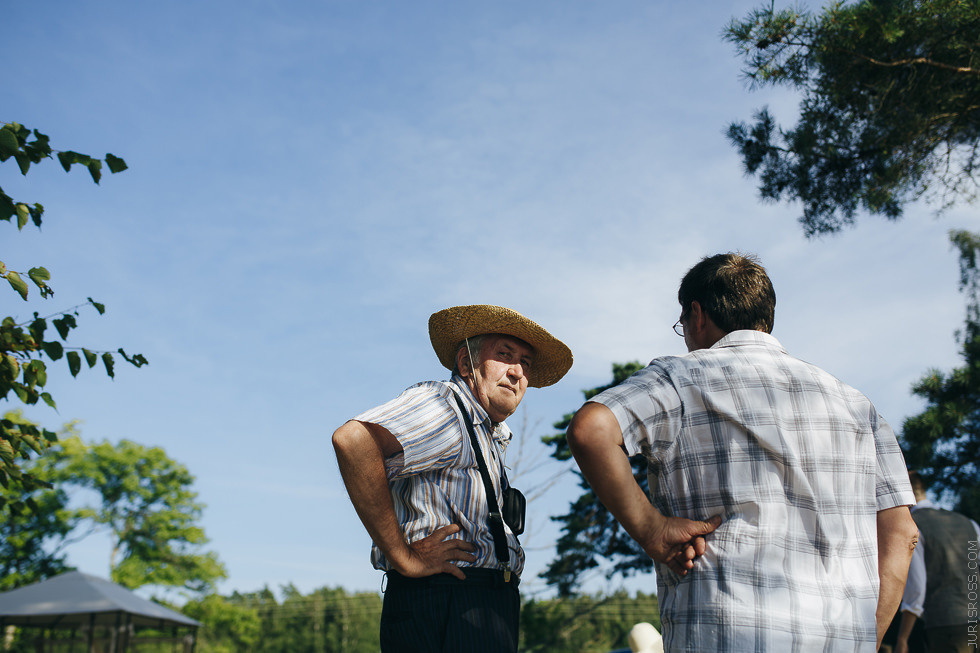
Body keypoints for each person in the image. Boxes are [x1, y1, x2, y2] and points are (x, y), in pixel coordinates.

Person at [566, 252, 920, 651]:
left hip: (726, 634)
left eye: (682, 323)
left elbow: (591, 429)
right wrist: (866, 639)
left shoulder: (680, 378)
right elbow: (902, 533)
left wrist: (651, 529)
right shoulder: (858, 406)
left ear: (696, 315)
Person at [332, 304, 577, 652]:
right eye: (505, 355)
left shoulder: (486, 430)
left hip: (477, 607)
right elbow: (353, 441)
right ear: (466, 364)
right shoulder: (447, 407)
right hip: (448, 603)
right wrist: (403, 556)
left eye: (526, 362)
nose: (517, 372)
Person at [893, 471, 980, 653]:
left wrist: (902, 638)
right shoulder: (969, 523)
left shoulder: (914, 528)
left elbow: (916, 589)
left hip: (946, 628)